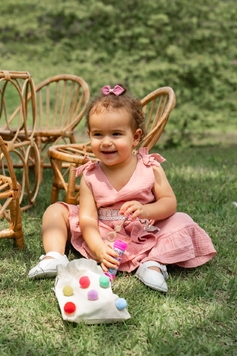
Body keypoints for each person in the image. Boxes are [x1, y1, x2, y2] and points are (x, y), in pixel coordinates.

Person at [28, 84, 216, 292]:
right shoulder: (90, 174)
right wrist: (98, 247)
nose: (106, 142)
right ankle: (54, 256)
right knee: (55, 210)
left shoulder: (149, 167)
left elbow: (169, 203)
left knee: (182, 220)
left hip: (144, 230)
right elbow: (88, 218)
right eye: (98, 135)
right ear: (89, 135)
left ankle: (152, 264)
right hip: (104, 231)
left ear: (135, 137)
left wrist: (147, 210)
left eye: (116, 134)